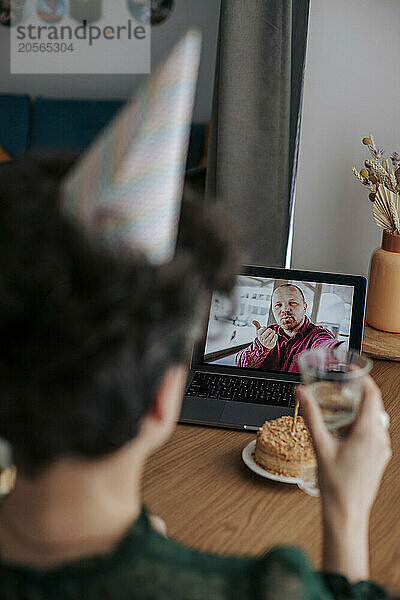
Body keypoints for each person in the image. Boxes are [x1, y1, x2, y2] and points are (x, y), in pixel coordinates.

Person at [0, 154, 390, 599]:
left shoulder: (321, 341)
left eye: (292, 305)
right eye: (279, 305)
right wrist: (347, 511)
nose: (284, 311)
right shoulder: (269, 589)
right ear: (165, 396)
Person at [236, 284, 342, 372]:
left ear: (304, 307)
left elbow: (326, 345)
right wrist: (261, 347)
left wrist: (339, 350)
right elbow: (241, 365)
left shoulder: (317, 334)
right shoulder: (269, 333)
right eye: (278, 305)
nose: (285, 309)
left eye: (292, 303)